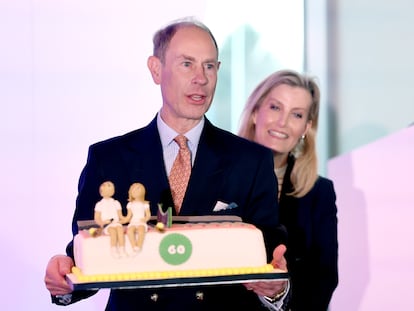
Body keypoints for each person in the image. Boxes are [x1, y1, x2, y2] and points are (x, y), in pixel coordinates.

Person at [44, 17, 290, 310]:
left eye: (209, 66)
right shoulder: (109, 158)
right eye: (187, 64)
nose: (201, 78)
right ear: (156, 69)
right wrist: (63, 278)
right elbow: (87, 255)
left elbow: (271, 255)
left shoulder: (251, 160)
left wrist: (276, 289)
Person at [238, 69, 338, 310]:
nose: (282, 122)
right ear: (255, 112)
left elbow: (323, 279)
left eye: (297, 114)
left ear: (306, 127)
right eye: (275, 107)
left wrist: (280, 294)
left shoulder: (320, 192)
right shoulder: (214, 175)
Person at [94, 181, 128, 258]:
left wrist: (125, 219)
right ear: (101, 192)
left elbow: (121, 216)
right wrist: (103, 223)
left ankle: (122, 249)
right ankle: (113, 250)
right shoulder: (99, 204)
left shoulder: (116, 203)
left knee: (120, 230)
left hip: (116, 223)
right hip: (107, 225)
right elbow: (97, 218)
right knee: (113, 232)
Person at [124, 182, 151, 254]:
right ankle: (133, 246)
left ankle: (139, 246)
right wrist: (123, 220)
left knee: (141, 230)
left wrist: (145, 219)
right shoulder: (130, 204)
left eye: (138, 189)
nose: (136, 191)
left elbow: (148, 215)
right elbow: (128, 216)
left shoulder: (145, 204)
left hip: (141, 222)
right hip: (133, 222)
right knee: (130, 230)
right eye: (134, 190)